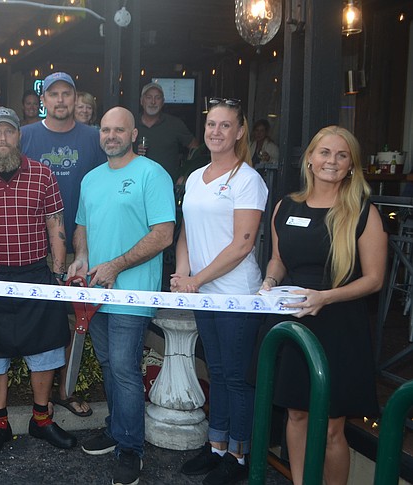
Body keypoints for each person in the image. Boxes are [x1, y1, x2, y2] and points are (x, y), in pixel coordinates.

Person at [261, 126, 385, 485]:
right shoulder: (287, 205)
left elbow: (374, 278)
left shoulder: (363, 212)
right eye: (325, 153)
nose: (332, 161)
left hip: (340, 326)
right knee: (297, 416)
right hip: (296, 324)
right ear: (310, 160)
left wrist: (325, 297)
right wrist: (270, 281)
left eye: (342, 155)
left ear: (351, 166)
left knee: (332, 427)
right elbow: (279, 260)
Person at [0, 107, 76, 455]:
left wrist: (57, 272)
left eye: (10, 132)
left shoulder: (43, 175)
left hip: (36, 275)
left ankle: (41, 420)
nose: (4, 138)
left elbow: (56, 224)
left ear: (19, 137)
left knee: (45, 349)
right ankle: (0, 424)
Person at [71, 107, 175, 485]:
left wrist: (115, 265)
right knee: (109, 365)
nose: (111, 136)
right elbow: (82, 225)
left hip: (132, 294)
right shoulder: (91, 179)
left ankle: (131, 448)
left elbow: (163, 234)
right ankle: (116, 429)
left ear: (134, 135)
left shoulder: (152, 174)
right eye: (105, 130)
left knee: (125, 368)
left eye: (119, 130)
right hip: (96, 292)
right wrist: (81, 258)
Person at [170, 97, 268, 485]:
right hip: (203, 293)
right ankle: (216, 447)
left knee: (235, 377)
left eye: (226, 125)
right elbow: (186, 235)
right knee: (217, 369)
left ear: (240, 131)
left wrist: (198, 278)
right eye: (212, 124)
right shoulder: (196, 178)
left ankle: (239, 455)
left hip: (235, 294)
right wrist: (182, 274)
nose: (216, 131)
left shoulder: (248, 180)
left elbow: (243, 244)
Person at [21, 71, 105, 417]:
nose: (59, 100)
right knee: (38, 321)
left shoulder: (96, 138)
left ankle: (64, 390)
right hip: (32, 248)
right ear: (43, 99)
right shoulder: (24, 135)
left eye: (66, 94)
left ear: (75, 99)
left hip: (80, 248)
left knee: (75, 325)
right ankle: (38, 396)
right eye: (53, 94)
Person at [136, 82, 199, 181]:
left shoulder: (174, 124)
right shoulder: (131, 124)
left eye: (157, 98)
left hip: (167, 184)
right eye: (149, 97)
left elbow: (195, 147)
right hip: (136, 183)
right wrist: (134, 151)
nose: (153, 102)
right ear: (141, 101)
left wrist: (185, 173)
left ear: (163, 102)